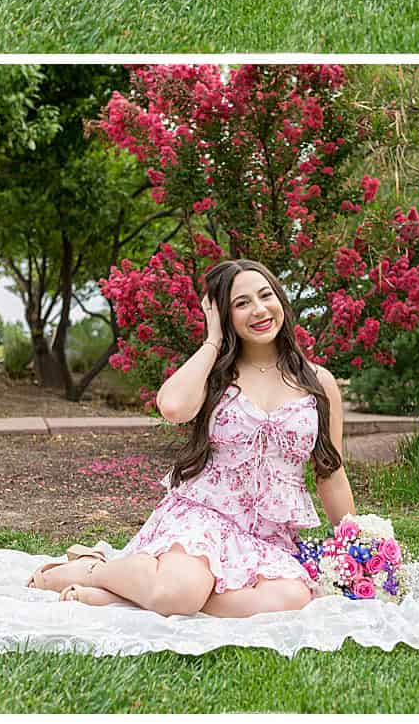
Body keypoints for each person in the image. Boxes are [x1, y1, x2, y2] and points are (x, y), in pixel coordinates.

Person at [26, 259, 353, 617]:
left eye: (265, 296)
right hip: (203, 518)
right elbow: (172, 407)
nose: (259, 310)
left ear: (281, 300)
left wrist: (354, 545)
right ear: (222, 315)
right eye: (241, 303)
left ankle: (126, 597)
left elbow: (330, 473)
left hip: (268, 537)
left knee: (292, 598)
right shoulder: (214, 374)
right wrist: (213, 340)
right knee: (178, 594)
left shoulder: (317, 382)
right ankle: (94, 569)